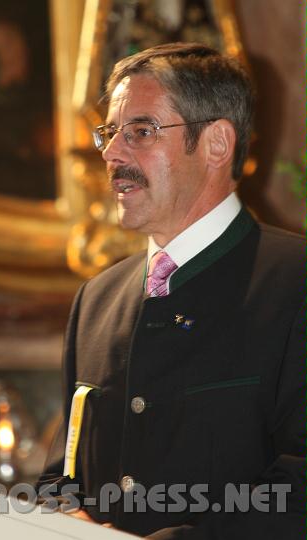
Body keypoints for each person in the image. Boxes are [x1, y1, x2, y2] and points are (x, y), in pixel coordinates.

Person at [37, 43, 307, 539]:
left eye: (140, 131)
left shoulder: (295, 282)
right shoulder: (96, 300)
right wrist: (59, 516)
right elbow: (63, 474)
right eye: (110, 132)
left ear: (217, 144)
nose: (112, 152)